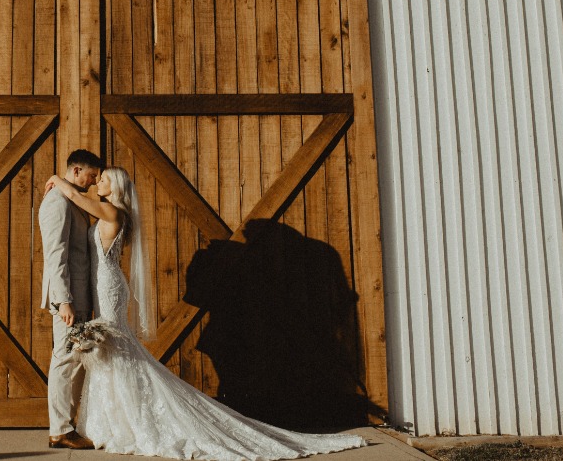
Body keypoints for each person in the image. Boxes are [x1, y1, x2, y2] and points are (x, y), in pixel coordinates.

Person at [46, 167, 367, 460]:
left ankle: (130, 421)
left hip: (108, 285)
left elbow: (75, 194)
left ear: (114, 188)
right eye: (97, 177)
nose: (97, 182)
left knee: (116, 347)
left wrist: (58, 180)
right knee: (112, 349)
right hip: (104, 282)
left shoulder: (112, 211)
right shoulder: (109, 210)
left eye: (102, 179)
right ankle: (112, 420)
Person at [38, 148, 104, 450]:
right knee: (64, 359)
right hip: (69, 298)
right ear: (75, 171)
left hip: (79, 295)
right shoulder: (57, 203)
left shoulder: (71, 200)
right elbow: (56, 255)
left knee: (74, 359)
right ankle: (60, 430)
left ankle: (67, 424)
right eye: (90, 176)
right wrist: (63, 300)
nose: (92, 183)